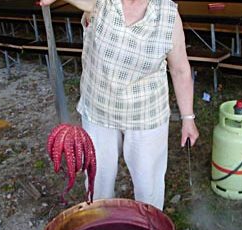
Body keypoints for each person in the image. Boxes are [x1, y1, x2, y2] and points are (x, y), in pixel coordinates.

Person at [40, 0, 199, 210]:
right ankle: (99, 225)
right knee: (98, 181)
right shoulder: (101, 2)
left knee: (148, 185)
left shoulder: (168, 15)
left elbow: (180, 70)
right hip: (99, 108)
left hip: (146, 113)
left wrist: (188, 118)